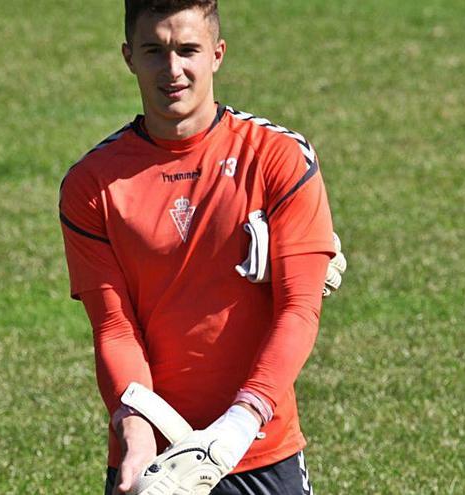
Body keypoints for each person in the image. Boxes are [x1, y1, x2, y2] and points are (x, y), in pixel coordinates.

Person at [59, 1, 339, 493]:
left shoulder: (279, 158)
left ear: (217, 53)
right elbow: (114, 326)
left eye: (188, 50)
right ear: (128, 57)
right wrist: (137, 430)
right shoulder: (92, 184)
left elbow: (299, 309)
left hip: (260, 449)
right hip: (154, 459)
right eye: (154, 51)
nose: (173, 70)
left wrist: (239, 424)